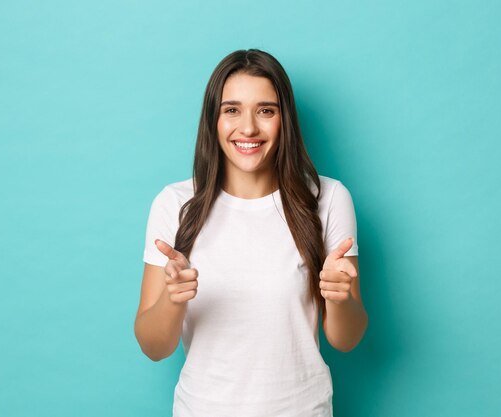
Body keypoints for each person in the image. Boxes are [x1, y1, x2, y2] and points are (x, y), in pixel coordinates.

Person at [134, 48, 368, 417]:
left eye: (266, 110)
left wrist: (339, 299)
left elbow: (346, 338)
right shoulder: (175, 204)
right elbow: (153, 346)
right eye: (232, 110)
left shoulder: (329, 199)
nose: (248, 128)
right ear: (213, 120)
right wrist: (173, 300)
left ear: (284, 119)